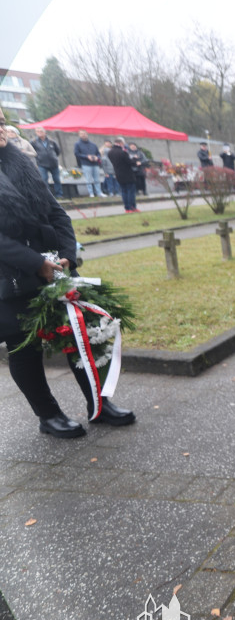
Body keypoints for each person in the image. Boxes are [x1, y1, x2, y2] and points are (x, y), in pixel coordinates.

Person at [0, 111, 135, 438]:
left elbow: (56, 212)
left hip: (51, 268)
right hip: (11, 277)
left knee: (79, 334)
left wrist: (67, 255)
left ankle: (99, 404)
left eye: (0, 121)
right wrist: (35, 263)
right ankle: (49, 415)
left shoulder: (18, 161)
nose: (1, 129)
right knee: (24, 348)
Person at [107, 138, 138, 213]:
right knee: (130, 191)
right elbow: (130, 162)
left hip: (118, 174)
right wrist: (134, 159)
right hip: (127, 174)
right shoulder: (122, 152)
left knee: (124, 191)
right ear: (121, 143)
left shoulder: (110, 152)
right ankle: (132, 207)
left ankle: (127, 208)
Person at [31, 128, 63, 198]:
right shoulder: (33, 142)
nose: (39, 133)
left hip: (53, 163)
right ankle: (48, 196)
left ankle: (59, 194)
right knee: (44, 180)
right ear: (36, 133)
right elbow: (32, 152)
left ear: (45, 132)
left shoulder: (51, 141)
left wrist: (53, 157)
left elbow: (57, 151)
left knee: (57, 179)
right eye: (38, 131)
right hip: (42, 164)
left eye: (41, 131)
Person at [73, 130, 102, 198]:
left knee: (97, 179)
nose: (83, 135)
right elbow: (76, 154)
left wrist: (97, 157)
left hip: (95, 164)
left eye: (84, 134)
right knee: (88, 179)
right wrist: (86, 156)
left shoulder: (93, 144)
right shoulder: (77, 144)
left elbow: (98, 153)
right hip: (86, 164)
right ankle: (91, 193)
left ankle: (99, 192)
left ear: (87, 134)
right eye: (81, 134)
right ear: (79, 135)